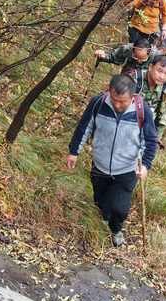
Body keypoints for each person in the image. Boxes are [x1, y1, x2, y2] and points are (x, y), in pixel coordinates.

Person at [66, 75, 158, 247]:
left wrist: (145, 165)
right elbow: (84, 127)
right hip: (99, 165)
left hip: (127, 169)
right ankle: (103, 218)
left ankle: (116, 229)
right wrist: (74, 152)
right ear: (109, 92)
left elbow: (151, 141)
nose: (117, 104)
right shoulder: (99, 103)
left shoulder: (142, 110)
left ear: (132, 97)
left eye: (122, 101)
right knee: (100, 200)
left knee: (119, 208)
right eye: (114, 99)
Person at [140, 54, 166, 142]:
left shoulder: (165, 85)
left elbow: (163, 111)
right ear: (150, 67)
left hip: (145, 129)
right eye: (159, 71)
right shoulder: (136, 78)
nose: (162, 76)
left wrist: (157, 137)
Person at [95, 37, 159, 79]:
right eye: (136, 57)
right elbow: (112, 57)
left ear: (148, 52)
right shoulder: (126, 49)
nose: (139, 61)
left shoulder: (156, 56)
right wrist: (102, 55)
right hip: (127, 76)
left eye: (142, 59)